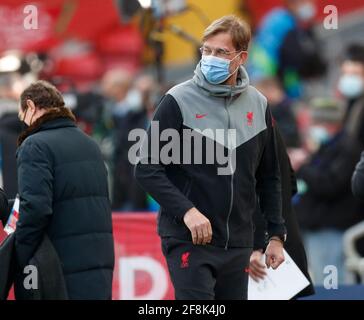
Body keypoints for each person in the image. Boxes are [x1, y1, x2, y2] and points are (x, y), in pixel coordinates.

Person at [135, 15, 286, 300]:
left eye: (221, 52)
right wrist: (187, 212)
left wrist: (276, 236)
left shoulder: (259, 103)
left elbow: (270, 177)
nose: (210, 58)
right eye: (206, 50)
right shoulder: (176, 100)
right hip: (189, 238)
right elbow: (146, 169)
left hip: (238, 243)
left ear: (241, 58)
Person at [14, 80, 114, 299]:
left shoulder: (35, 145)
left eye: (22, 117)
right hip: (98, 263)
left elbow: (36, 208)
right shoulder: (90, 144)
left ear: (30, 106)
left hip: (59, 267)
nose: (24, 124)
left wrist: (18, 254)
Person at [294, 44, 364, 284]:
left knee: (333, 284)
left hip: (333, 227)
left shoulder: (347, 147)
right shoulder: (328, 146)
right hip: (318, 226)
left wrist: (302, 168)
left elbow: (333, 183)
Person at [250, 126, 314, 299]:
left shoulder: (243, 133)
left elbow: (259, 195)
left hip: (263, 254)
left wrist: (257, 247)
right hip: (285, 246)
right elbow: (291, 186)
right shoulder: (271, 129)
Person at [248, 0, 326, 98]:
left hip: (267, 77)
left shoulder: (282, 18)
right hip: (266, 81)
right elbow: (293, 59)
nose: (310, 4)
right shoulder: (284, 24)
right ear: (292, 4)